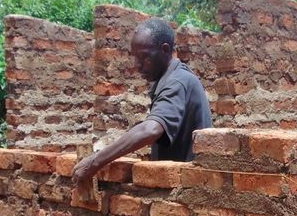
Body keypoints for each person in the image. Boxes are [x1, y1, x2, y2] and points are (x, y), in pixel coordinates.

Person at [71, 17, 212, 184]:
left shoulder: (177, 81)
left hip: (190, 187)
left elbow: (151, 129)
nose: (137, 65)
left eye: (144, 57)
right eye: (135, 57)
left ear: (165, 50)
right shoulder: (170, 79)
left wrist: (95, 162)